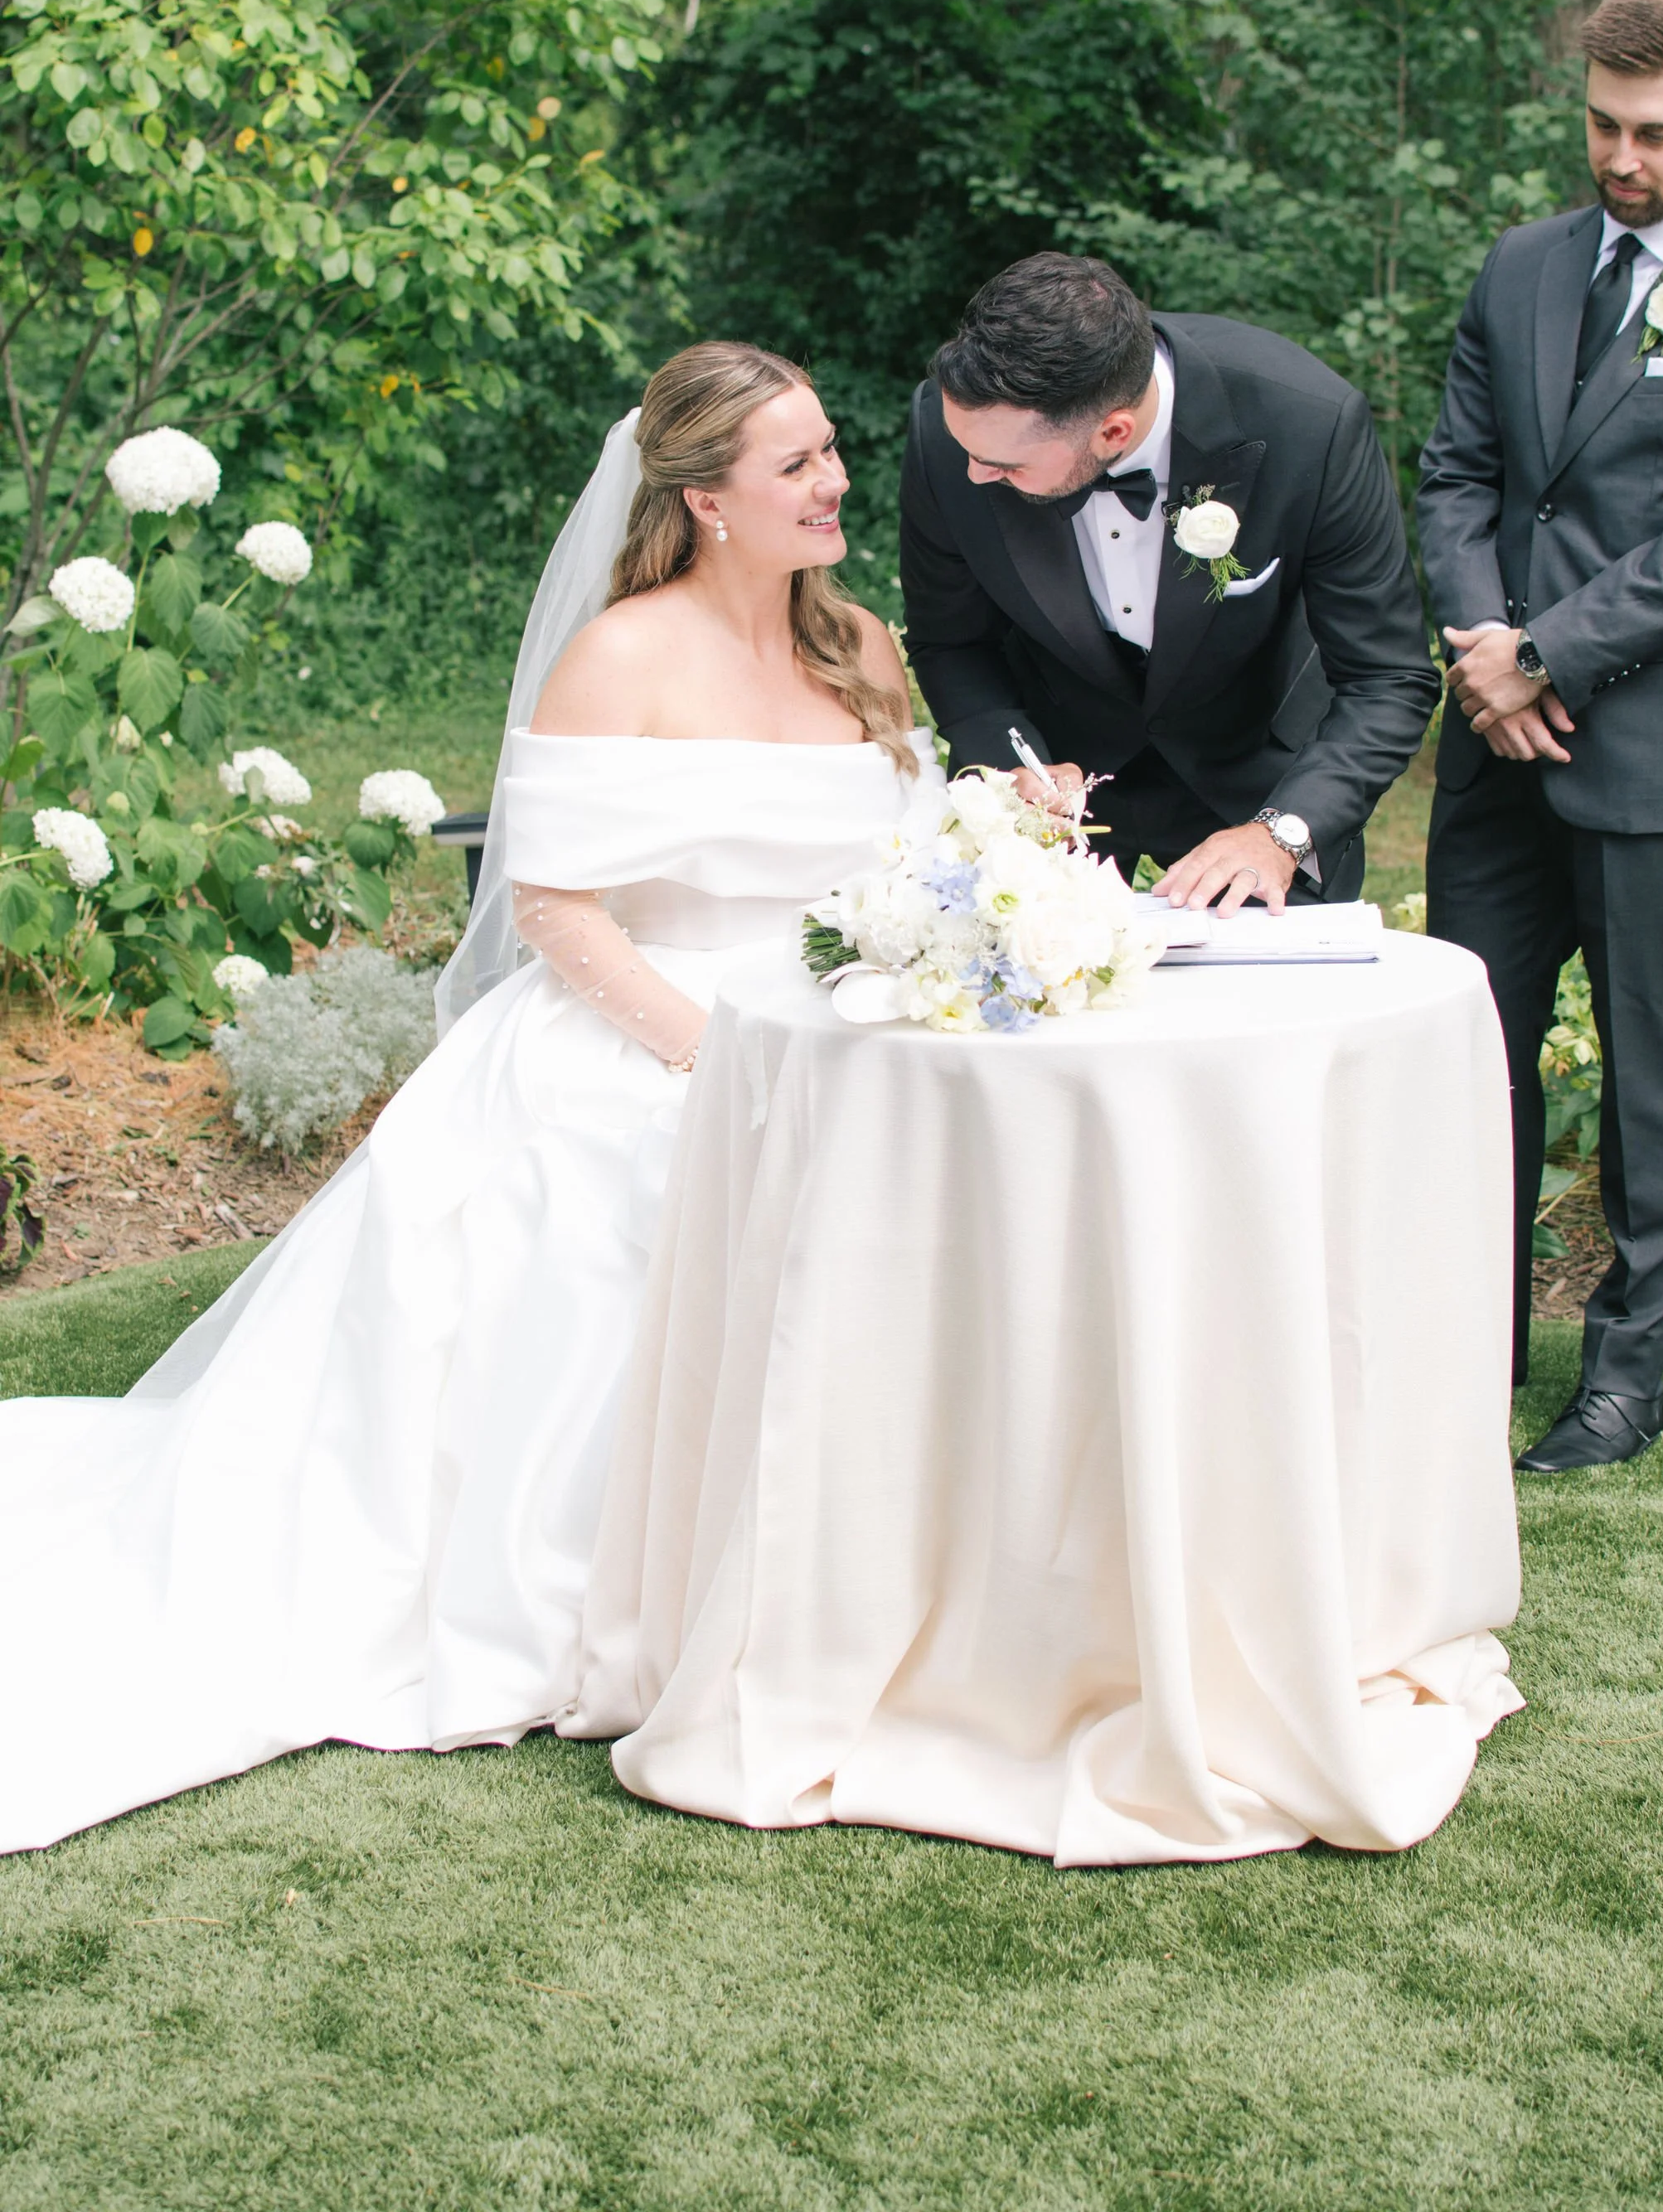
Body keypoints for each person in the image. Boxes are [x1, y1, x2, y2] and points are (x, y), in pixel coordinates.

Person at [0, 342, 939, 1854]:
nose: (835, 483)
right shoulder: (620, 658)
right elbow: (560, 909)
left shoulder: (863, 648)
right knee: (634, 1203)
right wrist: (714, 1058)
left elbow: (889, 864)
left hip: (839, 1026)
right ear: (705, 500)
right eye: (797, 465)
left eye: (830, 452)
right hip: (647, 1034)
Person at [1419, 0, 1663, 1472]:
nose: (1617, 157)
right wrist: (1482, 651)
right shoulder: (1519, 266)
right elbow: (1459, 470)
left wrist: (1549, 650)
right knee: (1473, 1055)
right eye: (1599, 122)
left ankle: (1620, 1377)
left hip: (1655, 748)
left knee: (1656, 1078)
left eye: (1651, 130)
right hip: (1491, 743)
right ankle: (1466, 1344)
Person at [899, 253, 1437, 914]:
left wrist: (1286, 830)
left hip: (1260, 771)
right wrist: (1015, 772)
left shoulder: (1309, 424)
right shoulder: (951, 433)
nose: (976, 475)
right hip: (1060, 778)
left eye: (1002, 465)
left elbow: (1387, 678)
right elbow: (951, 642)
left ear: (1113, 431)